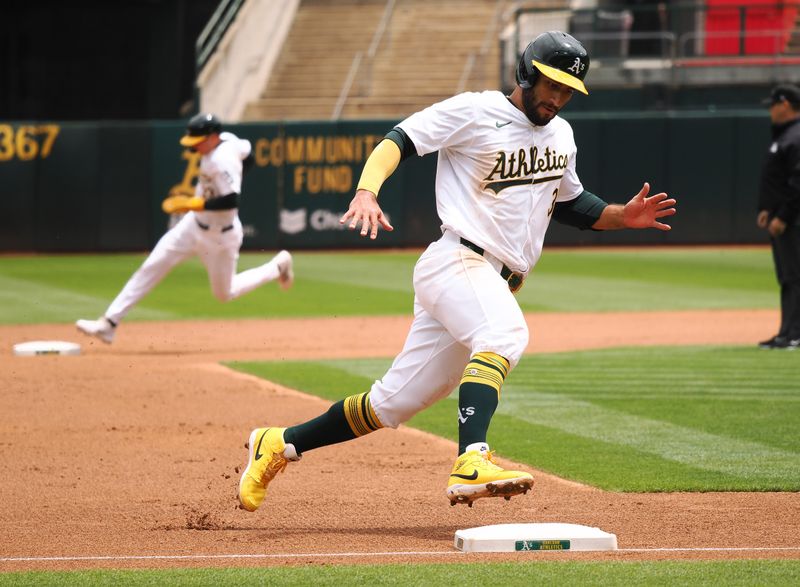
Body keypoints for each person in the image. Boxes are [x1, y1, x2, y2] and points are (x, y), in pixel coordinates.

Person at [237, 31, 676, 511]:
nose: (558, 97)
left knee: (392, 403)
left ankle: (279, 443)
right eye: (551, 84)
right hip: (459, 260)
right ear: (526, 73)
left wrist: (620, 215)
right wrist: (366, 190)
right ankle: (472, 459)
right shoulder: (475, 110)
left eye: (568, 90)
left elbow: (570, 202)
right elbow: (398, 140)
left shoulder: (562, 135)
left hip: (489, 279)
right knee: (504, 334)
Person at [76, 113, 294, 344]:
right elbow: (249, 156)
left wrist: (196, 202)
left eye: (198, 140)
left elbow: (232, 201)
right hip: (192, 227)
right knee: (152, 265)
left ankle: (278, 266)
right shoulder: (228, 140)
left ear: (212, 137)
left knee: (224, 294)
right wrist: (205, 201)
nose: (194, 146)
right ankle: (109, 323)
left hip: (220, 237)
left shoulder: (222, 161)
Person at [757, 84, 800, 350]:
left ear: (784, 104)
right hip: (785, 220)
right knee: (787, 277)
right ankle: (787, 331)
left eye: (773, 104)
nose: (770, 110)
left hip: (794, 221)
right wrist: (766, 209)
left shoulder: (796, 136)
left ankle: (794, 333)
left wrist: (783, 216)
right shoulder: (786, 136)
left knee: (795, 277)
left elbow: (798, 183)